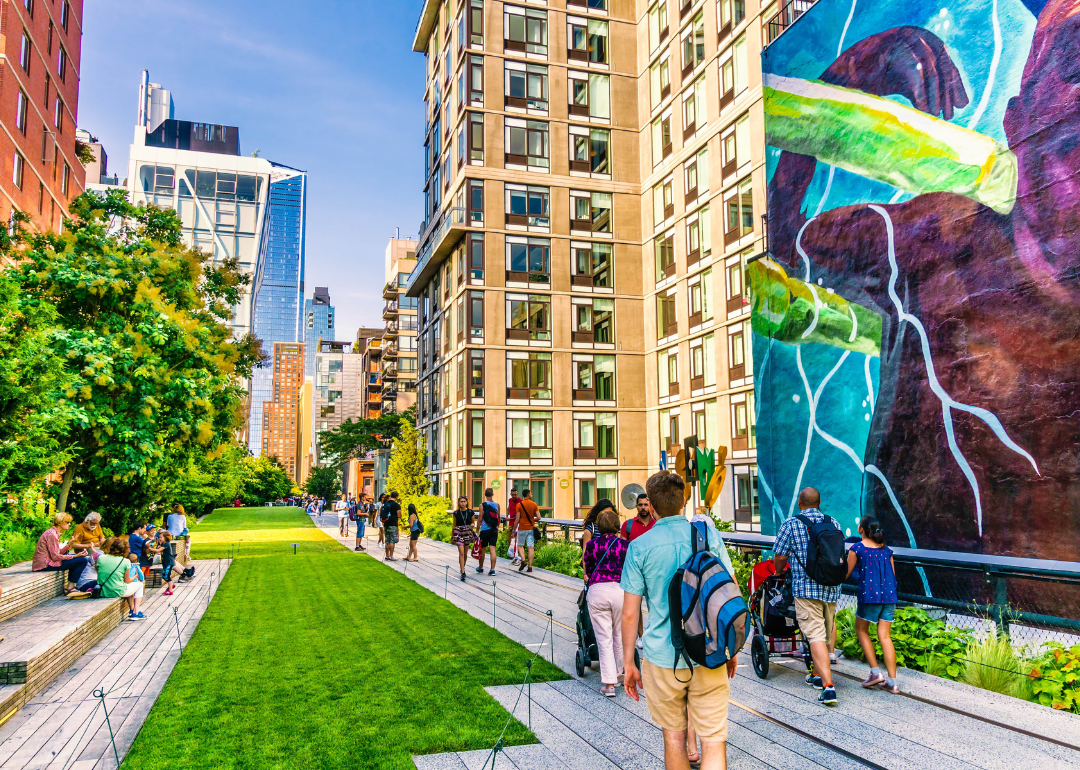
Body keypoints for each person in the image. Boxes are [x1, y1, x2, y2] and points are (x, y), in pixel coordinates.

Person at [621, 471, 738, 770]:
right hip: (709, 651)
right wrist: (731, 648)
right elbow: (730, 590)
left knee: (674, 739)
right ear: (684, 501)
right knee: (713, 740)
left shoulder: (639, 547)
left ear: (652, 506)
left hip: (663, 657)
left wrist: (629, 664)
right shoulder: (706, 536)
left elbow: (630, 613)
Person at [773, 487, 842, 706]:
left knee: (815, 635)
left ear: (800, 503)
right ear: (819, 502)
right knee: (826, 628)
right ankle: (816, 674)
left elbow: (780, 556)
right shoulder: (834, 523)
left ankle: (828, 686)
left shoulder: (792, 524)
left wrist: (779, 571)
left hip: (806, 589)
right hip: (831, 587)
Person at [847, 515, 899, 694]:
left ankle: (875, 673)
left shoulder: (857, 549)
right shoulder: (886, 550)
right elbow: (892, 575)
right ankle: (892, 682)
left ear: (861, 529)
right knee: (885, 636)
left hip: (869, 596)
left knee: (861, 630)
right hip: (890, 597)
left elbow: (845, 573)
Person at [583, 508, 629, 697]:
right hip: (620, 591)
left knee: (604, 638)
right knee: (619, 635)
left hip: (598, 591)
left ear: (599, 526)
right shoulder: (626, 545)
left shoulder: (592, 545)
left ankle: (608, 684)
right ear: (617, 526)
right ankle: (618, 676)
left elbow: (587, 566)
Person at [32, 513, 91, 594]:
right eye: (67, 522)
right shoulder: (51, 535)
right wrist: (76, 556)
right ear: (60, 522)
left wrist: (70, 544)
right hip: (44, 564)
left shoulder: (53, 532)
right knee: (82, 560)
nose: (69, 524)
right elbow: (55, 557)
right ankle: (70, 587)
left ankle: (70, 586)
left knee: (79, 558)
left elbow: (57, 553)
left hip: (48, 561)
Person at [97, 538, 145, 620]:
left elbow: (99, 572)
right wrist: (135, 576)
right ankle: (135, 612)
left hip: (103, 591)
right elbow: (127, 581)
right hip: (118, 591)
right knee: (140, 584)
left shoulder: (101, 558)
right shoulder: (125, 561)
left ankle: (132, 609)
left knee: (130, 586)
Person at [451, 496, 477, 581]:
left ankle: (463, 567)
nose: (462, 503)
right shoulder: (456, 513)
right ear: (458, 503)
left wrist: (473, 524)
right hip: (458, 532)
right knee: (461, 552)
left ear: (467, 502)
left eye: (464, 501)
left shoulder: (470, 512)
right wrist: (452, 536)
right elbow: (454, 525)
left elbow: (473, 522)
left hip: (467, 532)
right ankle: (462, 572)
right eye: (461, 501)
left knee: (465, 553)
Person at [515, 489, 540, 573]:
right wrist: (533, 520)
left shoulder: (519, 505)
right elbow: (539, 517)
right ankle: (530, 566)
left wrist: (513, 531)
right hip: (530, 528)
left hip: (522, 528)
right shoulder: (534, 504)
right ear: (528, 494)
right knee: (530, 547)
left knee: (520, 545)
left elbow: (517, 519)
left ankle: (523, 560)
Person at [477, 489, 500, 576]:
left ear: (485, 495)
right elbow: (499, 518)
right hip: (494, 530)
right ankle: (492, 569)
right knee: (492, 549)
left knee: (483, 549)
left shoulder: (482, 505)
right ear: (493, 494)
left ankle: (480, 567)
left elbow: (480, 518)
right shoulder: (497, 505)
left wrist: (477, 530)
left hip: (484, 530)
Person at [381, 492, 402, 561]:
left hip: (386, 523)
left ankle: (387, 555)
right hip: (393, 524)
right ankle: (391, 556)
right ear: (396, 497)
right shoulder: (396, 505)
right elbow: (399, 515)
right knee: (392, 541)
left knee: (387, 540)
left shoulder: (386, 503)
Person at [159, 530, 178, 596]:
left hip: (169, 563)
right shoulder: (163, 544)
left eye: (161, 537)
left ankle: (170, 590)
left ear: (166, 538)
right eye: (159, 537)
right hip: (166, 563)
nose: (160, 539)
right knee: (163, 575)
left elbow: (159, 551)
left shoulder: (167, 544)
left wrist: (150, 549)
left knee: (167, 576)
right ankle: (171, 585)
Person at [507, 489, 521, 567]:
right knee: (509, 539)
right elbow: (508, 507)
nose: (514, 496)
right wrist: (507, 515)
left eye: (515, 494)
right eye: (512, 495)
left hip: (518, 524)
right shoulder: (510, 500)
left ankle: (518, 558)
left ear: (517, 494)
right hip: (511, 522)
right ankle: (515, 556)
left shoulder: (520, 501)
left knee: (517, 541)